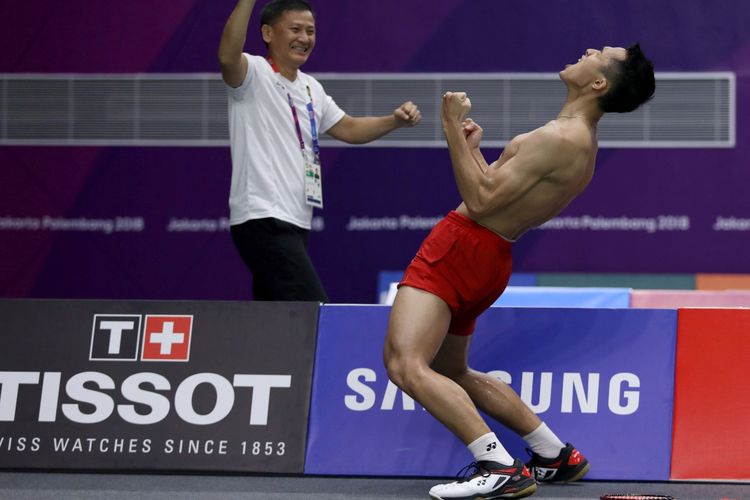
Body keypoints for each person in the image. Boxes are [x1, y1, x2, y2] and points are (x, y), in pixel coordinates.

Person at [384, 44, 655, 499]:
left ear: (599, 84)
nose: (588, 50)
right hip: (490, 256)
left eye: (600, 53)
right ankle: (552, 454)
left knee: (404, 363)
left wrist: (450, 128)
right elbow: (497, 195)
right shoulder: (580, 140)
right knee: (452, 369)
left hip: (460, 248)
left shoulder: (561, 136)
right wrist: (473, 153)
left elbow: (482, 203)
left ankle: (497, 464)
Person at [218, 0, 421, 302]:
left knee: (277, 318)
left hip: (297, 220)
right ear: (268, 33)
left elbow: (349, 128)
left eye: (310, 31)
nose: (304, 38)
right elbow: (227, 57)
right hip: (262, 216)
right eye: (295, 29)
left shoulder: (311, 87)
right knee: (312, 309)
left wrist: (394, 121)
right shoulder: (252, 74)